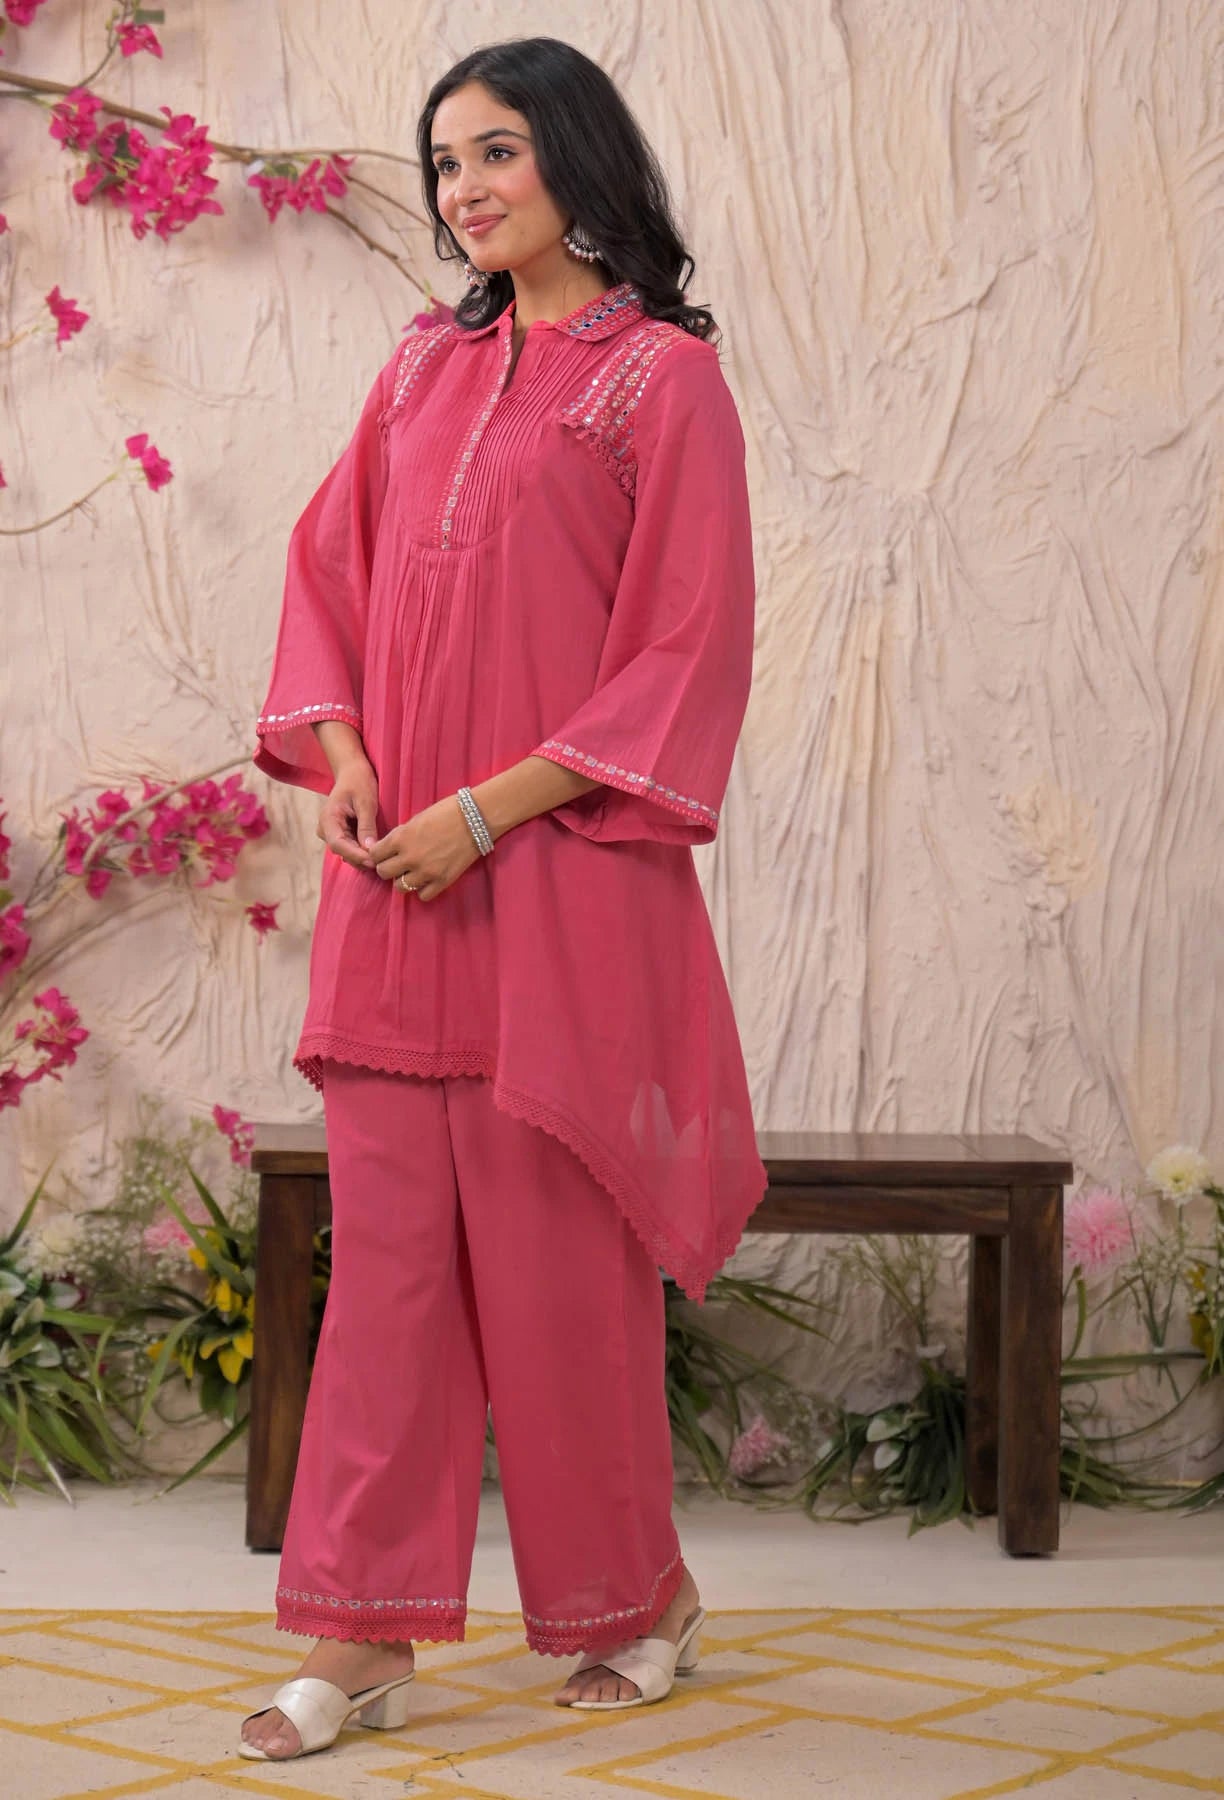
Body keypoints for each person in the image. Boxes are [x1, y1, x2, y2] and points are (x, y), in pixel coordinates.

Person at [240, 35, 767, 1762]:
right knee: (388, 1270)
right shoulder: (415, 372)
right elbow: (331, 579)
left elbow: (682, 653)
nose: (464, 189)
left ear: (577, 162)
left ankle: (640, 1602)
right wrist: (352, 769)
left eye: (496, 153)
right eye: (444, 161)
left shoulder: (662, 382)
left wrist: (484, 811)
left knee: (556, 1272)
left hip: (558, 883)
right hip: (400, 884)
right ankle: (360, 1631)